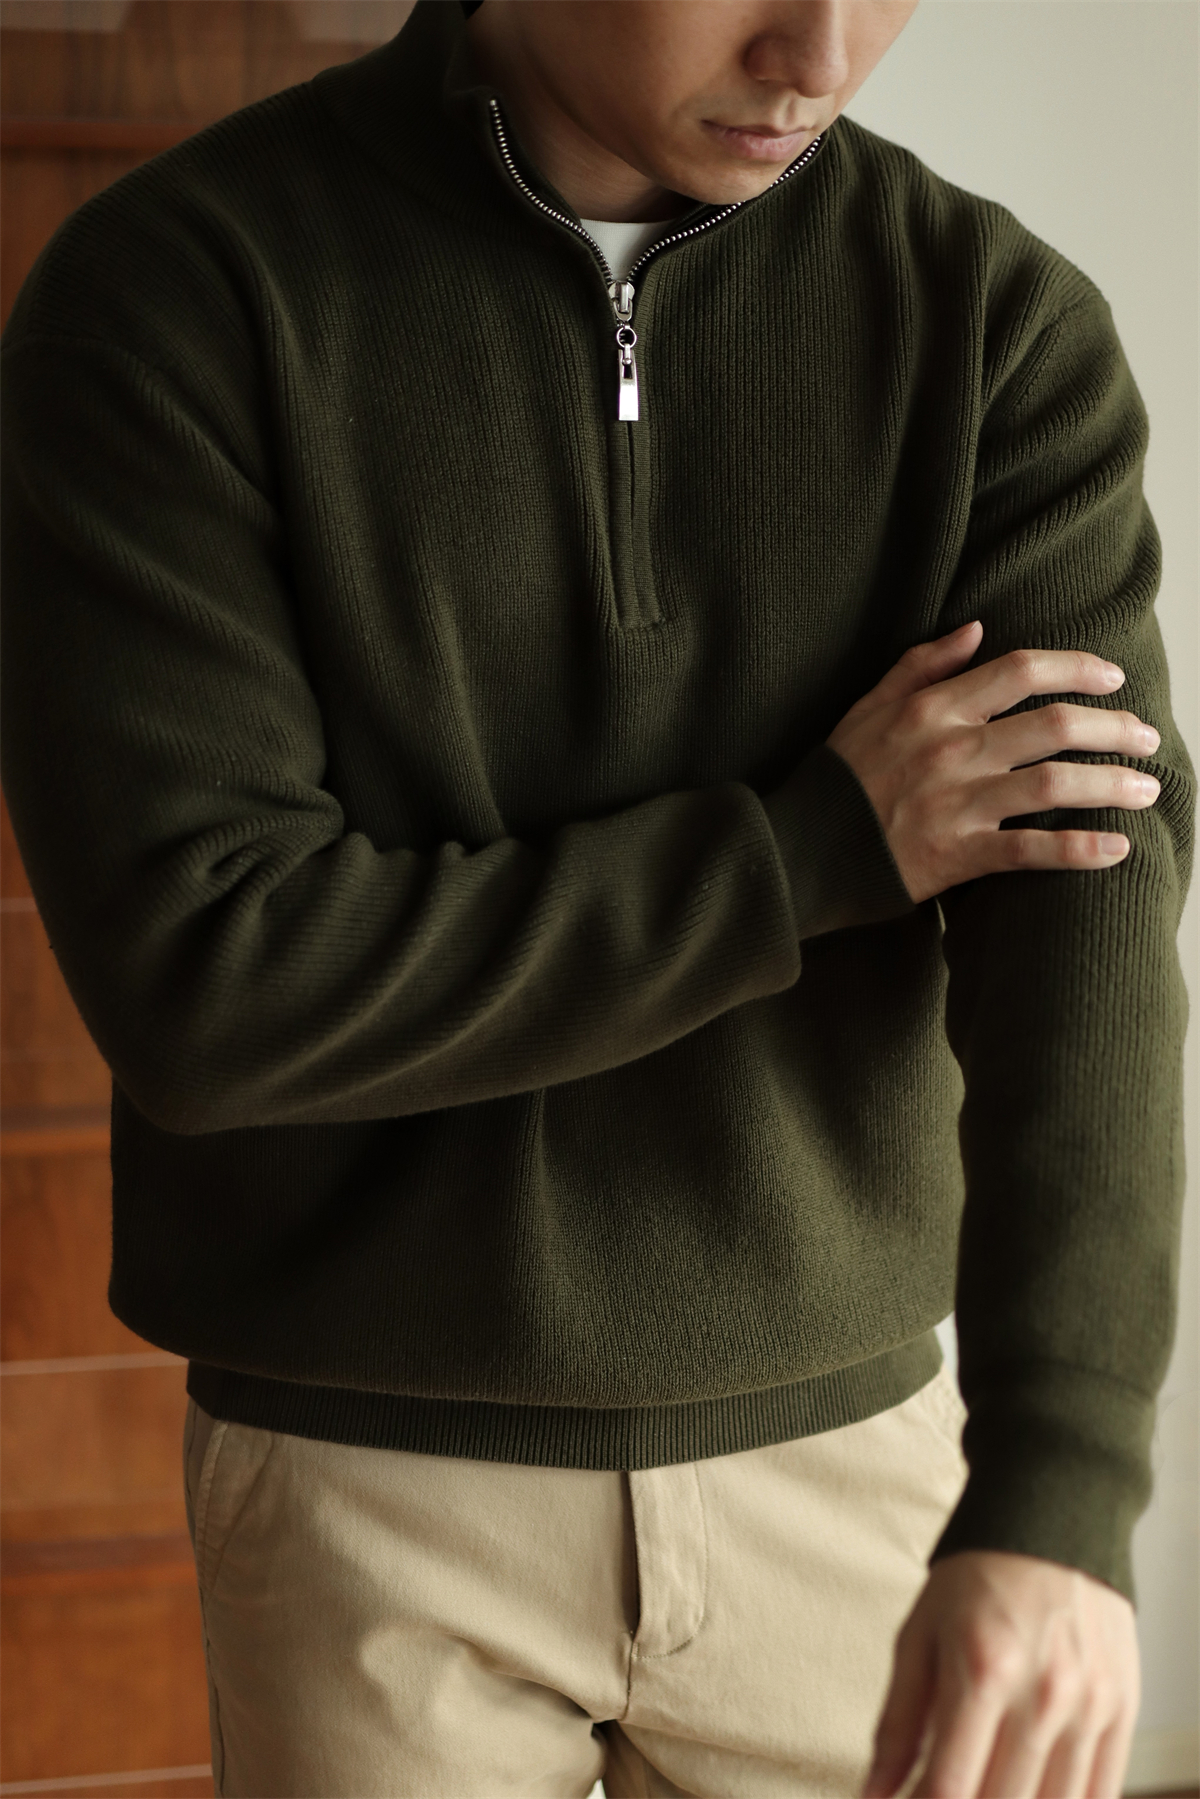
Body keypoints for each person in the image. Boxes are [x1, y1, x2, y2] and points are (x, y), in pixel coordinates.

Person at [1, 0, 1191, 1793]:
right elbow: (210, 987)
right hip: (374, 1494)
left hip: (857, 1458)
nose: (820, 51)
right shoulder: (178, 295)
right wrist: (813, 850)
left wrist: (1059, 1496)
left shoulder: (993, 326)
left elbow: (1084, 932)